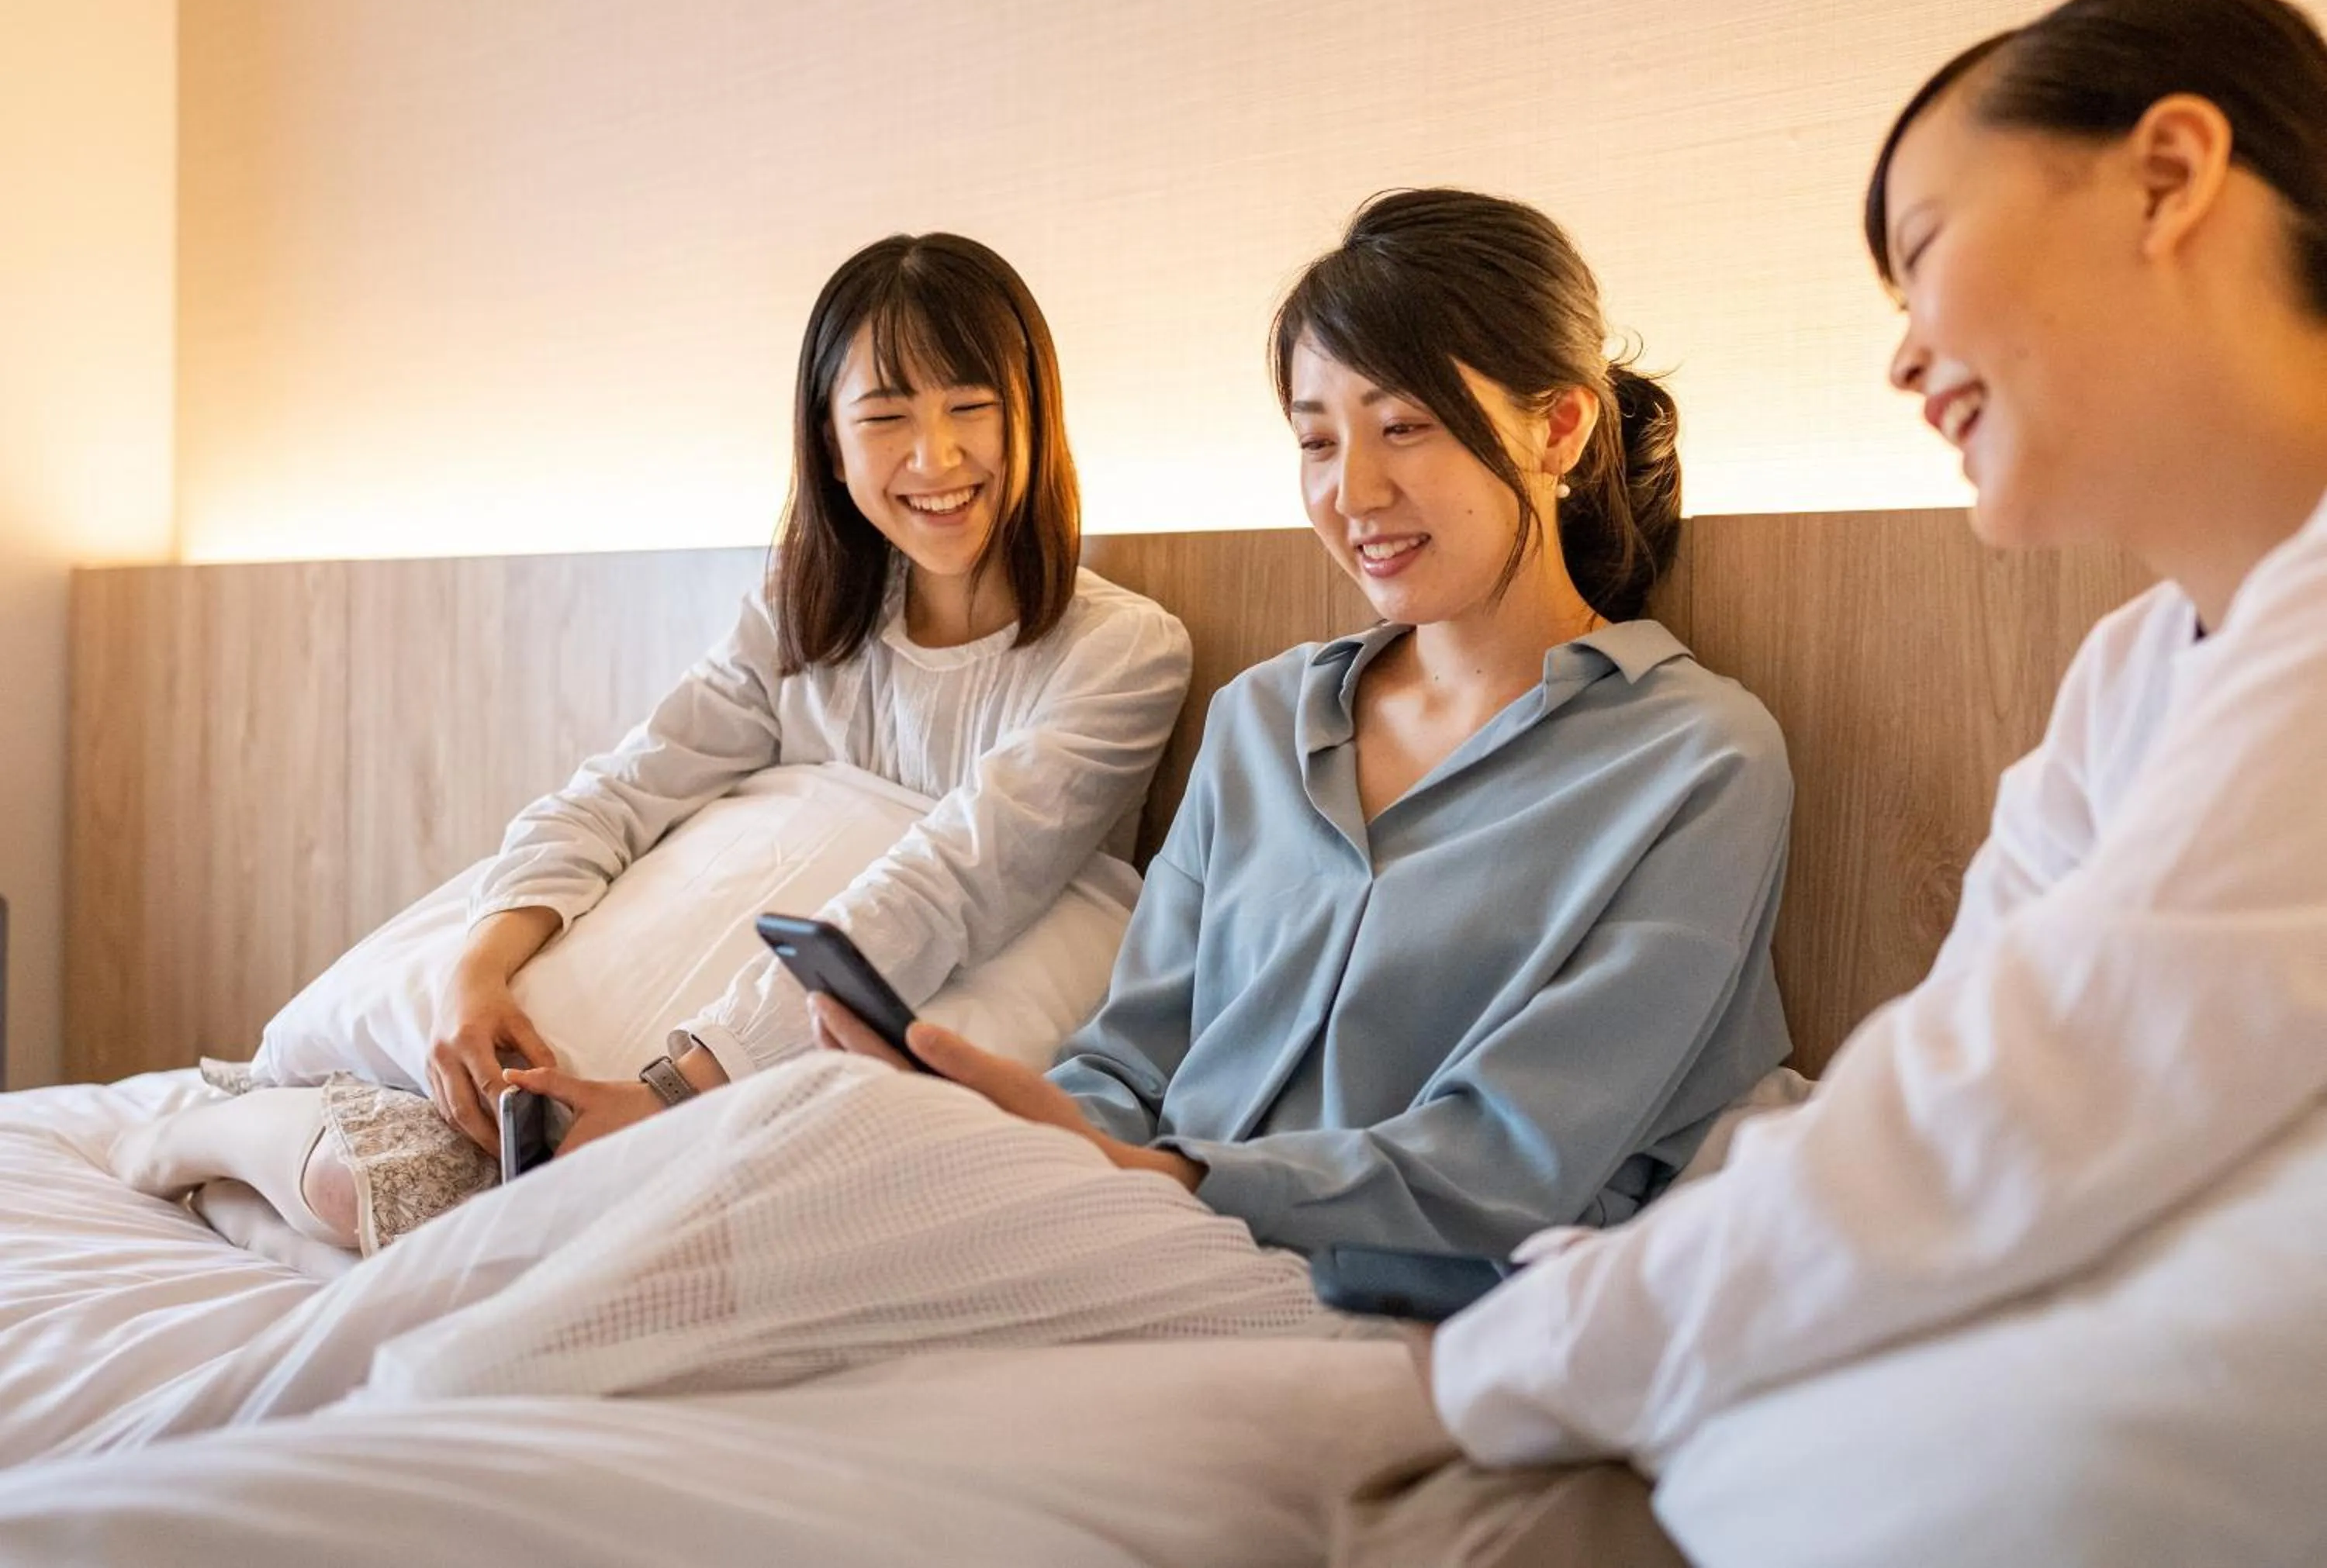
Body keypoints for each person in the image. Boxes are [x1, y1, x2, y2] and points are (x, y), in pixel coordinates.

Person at [62, 188, 1793, 1449]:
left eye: (1404, 430)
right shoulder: (1275, 721)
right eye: (1316, 437)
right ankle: (268, 1417)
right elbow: (1132, 1044)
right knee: (777, 1148)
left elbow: (1510, 1163)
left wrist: (1151, 1168)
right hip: (1120, 1194)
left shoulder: (1696, 766)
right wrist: (1028, 1116)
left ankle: (315, 1437)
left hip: (1337, 1278)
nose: (1352, 496)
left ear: (1556, 425)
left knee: (698, 1238)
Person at [1397, 0, 2327, 1557]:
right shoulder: (2126, 680)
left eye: (1924, 254)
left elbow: (2026, 1098)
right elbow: (1965, 1057)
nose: (1902, 360)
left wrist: (1524, 1352)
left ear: (2170, 175)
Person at [110, 230, 1195, 1256]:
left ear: (1034, 419)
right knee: (401, 1172)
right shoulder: (799, 620)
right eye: (886, 415)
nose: (938, 455)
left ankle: (234, 1172)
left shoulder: (1119, 653)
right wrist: (476, 975)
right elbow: (621, 792)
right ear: (827, 435)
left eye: (974, 407)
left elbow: (952, 879)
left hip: (782, 1036)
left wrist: (674, 1089)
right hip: (661, 1026)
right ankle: (219, 1144)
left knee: (433, 1203)